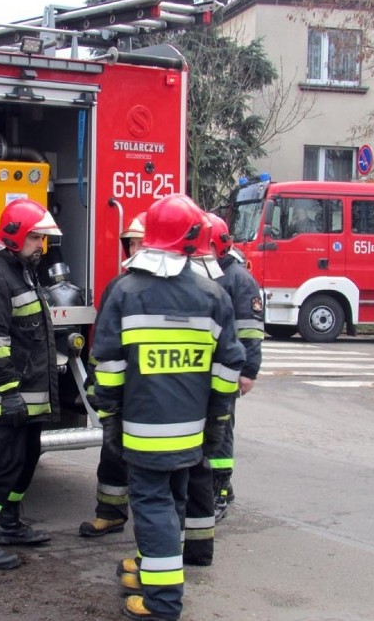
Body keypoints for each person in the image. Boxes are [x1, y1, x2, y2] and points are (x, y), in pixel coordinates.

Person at [91, 195, 245, 621]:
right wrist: (217, 419)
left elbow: (108, 366)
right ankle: (151, 571)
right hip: (193, 429)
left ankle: (162, 603)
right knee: (173, 502)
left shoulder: (125, 292)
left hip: (142, 429)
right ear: (193, 238)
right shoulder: (212, 294)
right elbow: (228, 366)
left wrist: (110, 418)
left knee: (154, 506)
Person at [0, 198, 61, 570]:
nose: (42, 245)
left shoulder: (22, 270)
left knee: (26, 460)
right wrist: (8, 393)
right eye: (36, 237)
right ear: (15, 236)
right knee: (0, 467)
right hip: (8, 398)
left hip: (29, 396)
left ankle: (9, 524)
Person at [181, 213, 265, 567]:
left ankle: (220, 488)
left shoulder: (238, 279)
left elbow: (250, 331)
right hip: (209, 368)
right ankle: (217, 486)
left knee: (221, 431)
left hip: (228, 369)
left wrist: (248, 371)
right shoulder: (215, 274)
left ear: (216, 244)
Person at [78, 212, 146, 538]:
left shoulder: (175, 288)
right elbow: (102, 341)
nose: (133, 249)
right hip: (122, 389)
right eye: (130, 243)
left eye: (139, 242)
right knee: (113, 451)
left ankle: (161, 537)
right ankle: (110, 513)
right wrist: (95, 381)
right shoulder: (118, 286)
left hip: (153, 391)